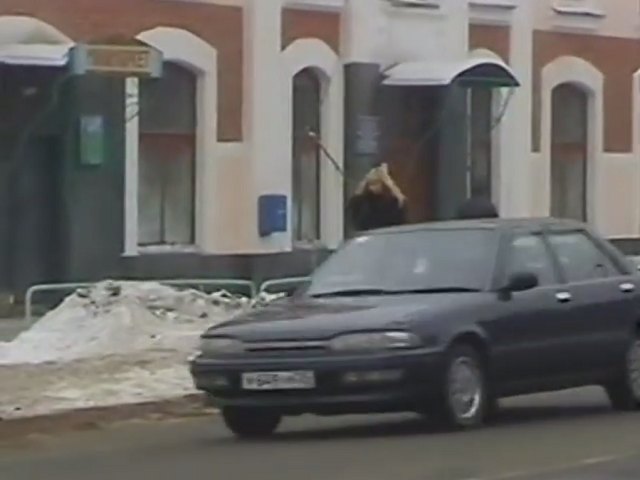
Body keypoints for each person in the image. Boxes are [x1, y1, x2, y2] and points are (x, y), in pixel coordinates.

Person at [347, 163, 408, 232]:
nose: (374, 186)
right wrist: (366, 179)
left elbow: (402, 202)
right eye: (372, 183)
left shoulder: (390, 203)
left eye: (377, 182)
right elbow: (354, 204)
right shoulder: (364, 203)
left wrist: (387, 180)